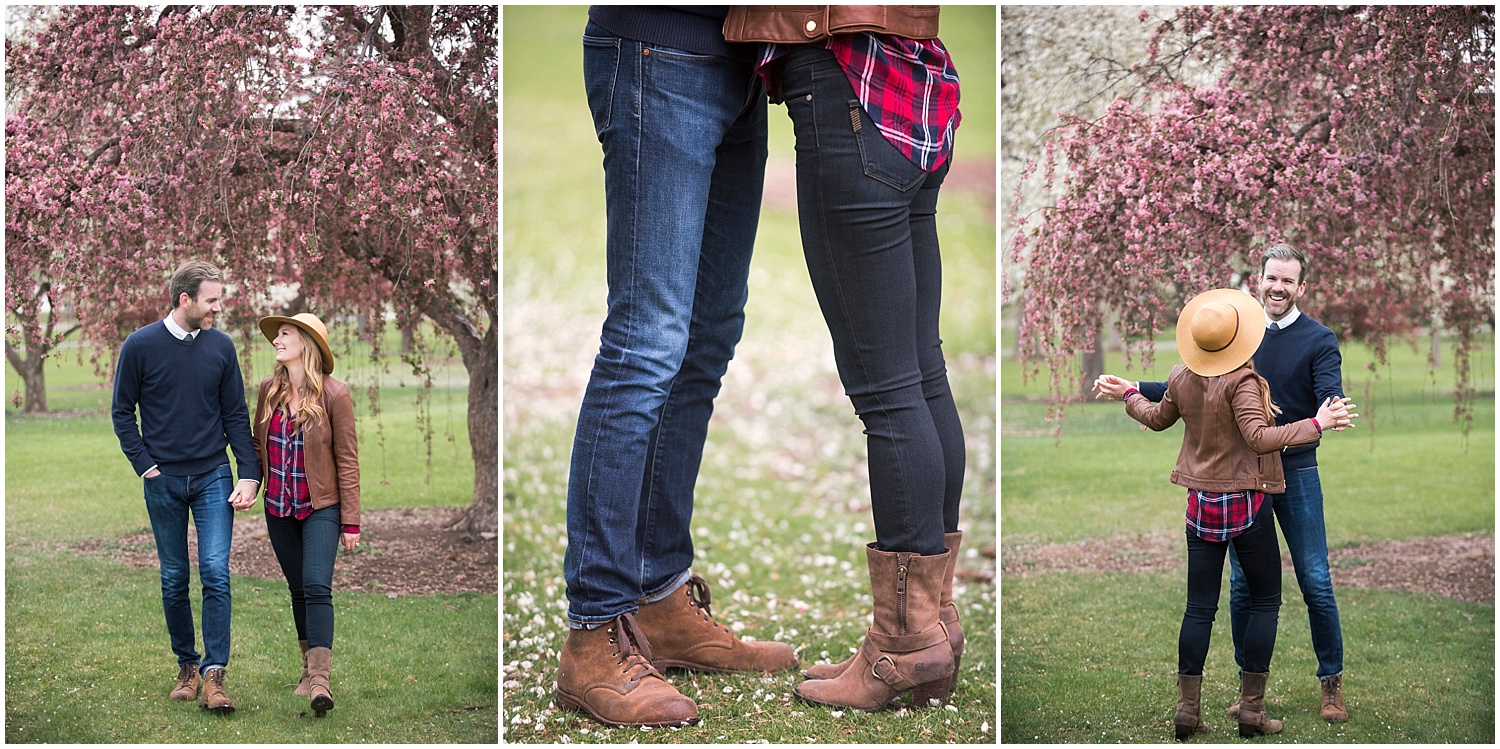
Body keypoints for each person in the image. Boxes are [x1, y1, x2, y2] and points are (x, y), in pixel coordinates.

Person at [554, 6, 798, 730]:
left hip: (742, 63)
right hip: (660, 47)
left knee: (706, 339)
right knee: (645, 343)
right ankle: (594, 633)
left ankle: (660, 599)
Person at [725, 4, 966, 712]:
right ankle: (936, 622)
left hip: (844, 84)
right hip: (911, 83)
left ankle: (904, 641)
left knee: (888, 390)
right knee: (921, 373)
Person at [1095, 243, 1352, 722]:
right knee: (1241, 589)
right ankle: (1247, 690)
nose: (1278, 287)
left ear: (1301, 286)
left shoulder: (1319, 339)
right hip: (1246, 481)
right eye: (1271, 277)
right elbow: (1195, 383)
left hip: (1293, 472)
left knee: (1315, 580)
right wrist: (1133, 386)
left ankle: (1331, 685)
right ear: (1259, 278)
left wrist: (1328, 413)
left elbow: (1326, 396)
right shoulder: (1238, 331)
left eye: (1287, 281)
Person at [111, 260, 261, 713]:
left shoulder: (221, 347)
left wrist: (248, 474)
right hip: (163, 480)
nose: (219, 308)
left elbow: (235, 414)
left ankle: (216, 675)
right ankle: (188, 667)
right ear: (186, 300)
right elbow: (122, 412)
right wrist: (146, 466)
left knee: (215, 572)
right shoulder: (139, 346)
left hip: (214, 474)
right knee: (174, 577)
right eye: (212, 300)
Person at [242, 312, 360, 716]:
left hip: (321, 507)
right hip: (278, 507)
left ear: (306, 343)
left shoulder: (334, 394)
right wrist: (250, 483)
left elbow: (347, 459)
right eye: (277, 336)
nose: (277, 340)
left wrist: (352, 520)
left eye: (285, 334)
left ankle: (320, 682)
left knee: (316, 585)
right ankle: (307, 671)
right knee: (297, 589)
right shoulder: (268, 390)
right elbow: (258, 449)